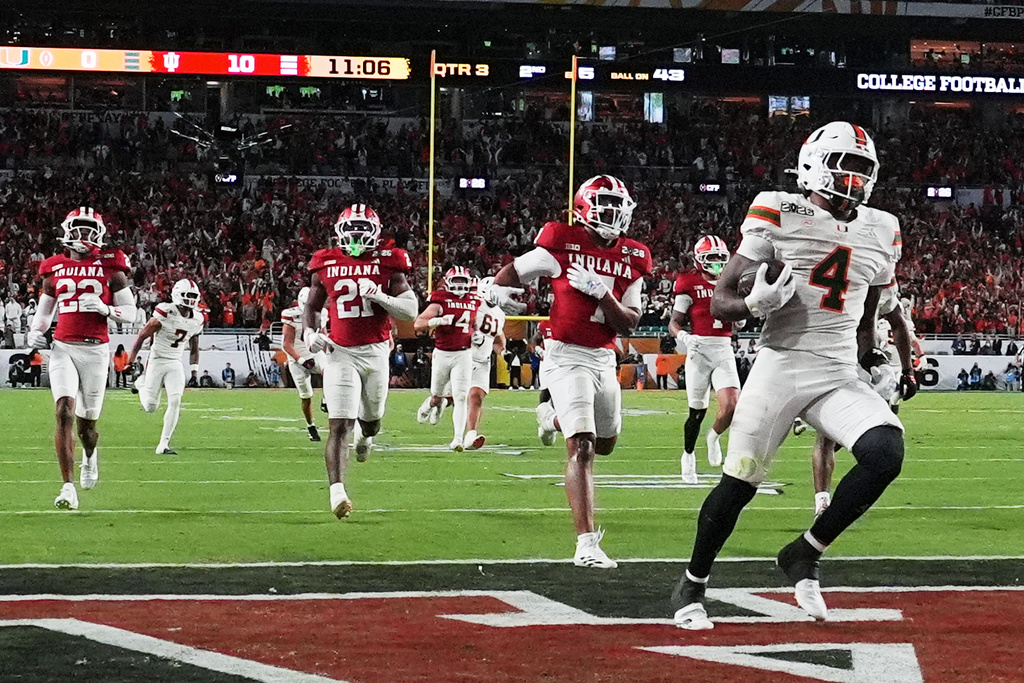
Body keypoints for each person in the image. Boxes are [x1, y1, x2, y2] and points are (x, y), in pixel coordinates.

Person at [671, 122, 906, 629]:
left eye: (863, 168)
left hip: (838, 372)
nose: (855, 177)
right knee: (740, 480)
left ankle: (804, 552)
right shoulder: (778, 209)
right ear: (812, 165)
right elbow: (721, 300)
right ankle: (692, 582)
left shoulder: (883, 227)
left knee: (886, 452)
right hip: (781, 363)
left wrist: (875, 359)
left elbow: (866, 314)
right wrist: (753, 304)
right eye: (845, 164)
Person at [490, 174, 652, 568]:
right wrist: (496, 292)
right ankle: (586, 544)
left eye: (617, 207)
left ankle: (550, 415)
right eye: (605, 206)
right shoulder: (561, 241)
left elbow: (629, 323)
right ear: (584, 209)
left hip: (604, 358)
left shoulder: (634, 256)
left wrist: (602, 293)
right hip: (565, 355)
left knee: (606, 443)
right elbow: (510, 274)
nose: (612, 214)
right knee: (583, 446)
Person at [304, 204, 417, 518]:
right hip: (339, 352)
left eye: (362, 229)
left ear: (375, 233)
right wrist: (309, 333)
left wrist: (380, 296)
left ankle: (366, 437)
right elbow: (312, 305)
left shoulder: (389, 261)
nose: (355, 236)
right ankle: (337, 492)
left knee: (371, 420)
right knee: (339, 424)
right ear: (339, 232)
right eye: (350, 229)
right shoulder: (325, 261)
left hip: (376, 351)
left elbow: (410, 311)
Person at [27, 208, 136, 510]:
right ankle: (67, 487)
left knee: (87, 427)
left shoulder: (112, 268)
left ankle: (89, 455)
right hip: (63, 347)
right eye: (80, 228)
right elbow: (45, 312)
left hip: (96, 351)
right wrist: (35, 332)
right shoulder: (54, 268)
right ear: (68, 230)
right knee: (64, 411)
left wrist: (106, 310)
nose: (85, 235)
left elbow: (130, 312)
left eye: (90, 229)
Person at [669, 235, 742, 483]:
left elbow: (739, 320)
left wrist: (741, 317)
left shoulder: (731, 283)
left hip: (724, 349)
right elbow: (674, 322)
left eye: (721, 258)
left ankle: (714, 437)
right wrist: (684, 336)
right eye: (712, 258)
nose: (717, 263)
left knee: (732, 405)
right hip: (699, 351)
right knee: (696, 413)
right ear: (700, 260)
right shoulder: (688, 282)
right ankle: (688, 455)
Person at [128, 279, 205, 454]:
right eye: (187, 295)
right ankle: (140, 383)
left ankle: (163, 445)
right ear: (177, 294)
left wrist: (194, 371)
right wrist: (131, 360)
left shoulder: (197, 319)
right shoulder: (166, 311)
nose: (191, 299)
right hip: (157, 359)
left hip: (175, 362)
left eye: (193, 296)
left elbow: (194, 347)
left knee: (175, 400)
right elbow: (142, 335)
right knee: (150, 406)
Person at [414, 266, 481, 451]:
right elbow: (418, 324)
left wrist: (477, 335)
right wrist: (436, 321)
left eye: (462, 281)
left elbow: (475, 324)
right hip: (443, 353)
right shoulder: (440, 300)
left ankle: (457, 439)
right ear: (448, 282)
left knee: (460, 396)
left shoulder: (474, 301)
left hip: (463, 354)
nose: (459, 285)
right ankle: (433, 403)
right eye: (456, 281)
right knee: (437, 394)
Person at [463, 276, 507, 451]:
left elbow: (498, 338)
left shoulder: (500, 314)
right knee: (452, 397)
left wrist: (503, 351)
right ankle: (434, 403)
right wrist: (470, 334)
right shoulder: (473, 304)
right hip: (462, 356)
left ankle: (471, 435)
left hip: (482, 361)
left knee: (476, 397)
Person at [281, 286, 325, 442]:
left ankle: (326, 399)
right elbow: (287, 345)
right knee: (306, 396)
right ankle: (311, 426)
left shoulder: (321, 313)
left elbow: (323, 335)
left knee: (329, 370)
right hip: (296, 358)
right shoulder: (292, 316)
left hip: (313, 351)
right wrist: (302, 360)